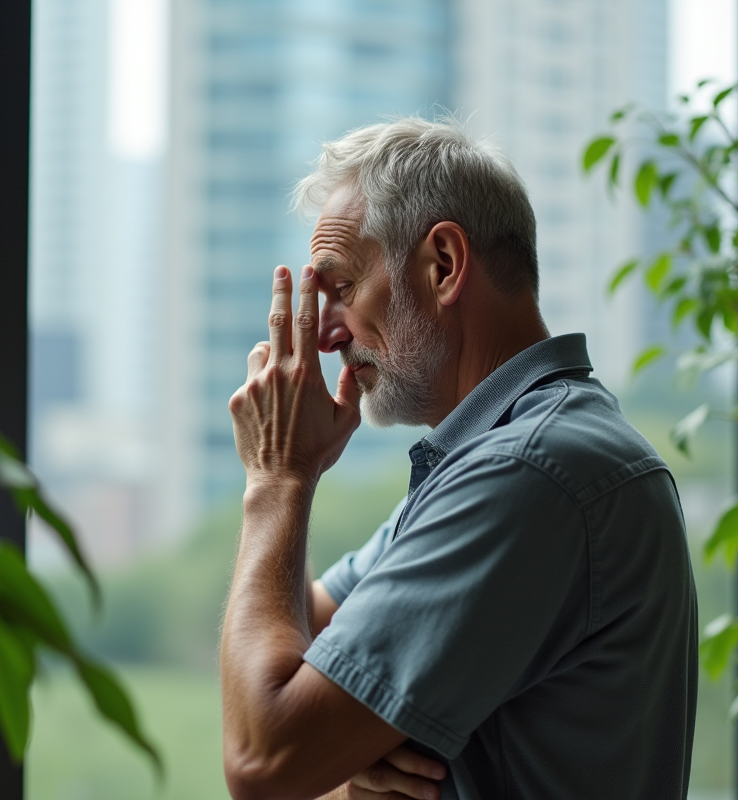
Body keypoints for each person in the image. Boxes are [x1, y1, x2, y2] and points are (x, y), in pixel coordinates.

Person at [221, 118, 697, 800]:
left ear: (443, 265)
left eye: (343, 288)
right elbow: (305, 631)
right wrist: (345, 757)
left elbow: (263, 759)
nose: (325, 336)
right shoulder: (499, 456)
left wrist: (276, 478)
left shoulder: (528, 473)